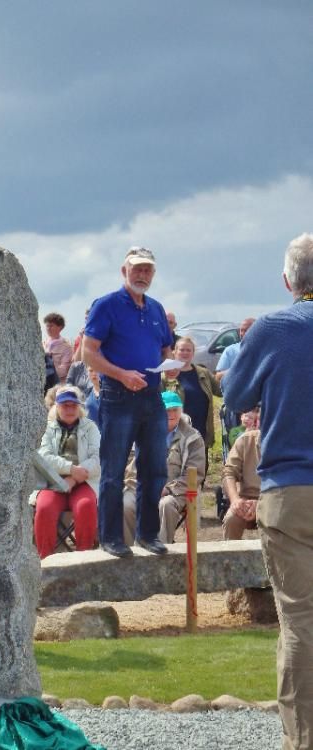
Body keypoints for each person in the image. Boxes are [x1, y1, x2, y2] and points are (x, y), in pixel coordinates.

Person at [223, 232, 313, 749]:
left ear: (288, 281)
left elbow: (235, 395)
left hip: (292, 488)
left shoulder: (275, 328)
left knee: (301, 621)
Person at [83, 246, 172, 557]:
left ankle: (148, 535)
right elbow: (88, 352)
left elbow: (164, 348)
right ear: (124, 271)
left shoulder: (157, 309)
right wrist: (121, 374)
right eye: (137, 269)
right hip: (118, 395)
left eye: (147, 270)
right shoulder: (106, 305)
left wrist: (167, 363)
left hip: (151, 395)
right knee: (114, 469)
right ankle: (111, 538)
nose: (142, 275)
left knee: (155, 468)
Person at [123, 392, 205, 545]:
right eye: (167, 410)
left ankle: (159, 553)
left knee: (165, 505)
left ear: (181, 411)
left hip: (176, 492)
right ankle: (130, 555)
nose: (171, 414)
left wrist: (167, 489)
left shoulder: (193, 438)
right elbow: (131, 466)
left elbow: (195, 473)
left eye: (175, 409)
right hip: (143, 487)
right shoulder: (143, 432)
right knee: (126, 503)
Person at [33, 386, 100, 559]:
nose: (70, 409)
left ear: (80, 407)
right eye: (65, 406)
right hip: (53, 481)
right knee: (44, 507)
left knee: (85, 505)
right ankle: (45, 560)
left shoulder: (91, 428)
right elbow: (44, 457)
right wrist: (70, 469)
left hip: (83, 481)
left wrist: (73, 479)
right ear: (57, 407)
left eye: (73, 405)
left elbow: (98, 459)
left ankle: (83, 559)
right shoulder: (46, 429)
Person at [163, 337, 221, 468]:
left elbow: (221, 391)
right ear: (174, 352)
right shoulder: (165, 376)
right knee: (176, 470)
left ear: (193, 353)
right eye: (181, 350)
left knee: (198, 470)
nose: (185, 353)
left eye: (188, 350)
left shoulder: (204, 373)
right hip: (175, 434)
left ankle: (197, 488)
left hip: (200, 431)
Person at [221, 428, 260, 540]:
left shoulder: (290, 444)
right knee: (232, 518)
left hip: (277, 500)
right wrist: (235, 500)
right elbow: (228, 472)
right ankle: (230, 556)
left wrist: (261, 505)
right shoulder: (245, 440)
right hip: (246, 500)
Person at [215, 317, 256, 384]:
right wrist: (237, 370)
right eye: (241, 330)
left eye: (246, 330)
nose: (242, 333)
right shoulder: (230, 350)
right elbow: (218, 377)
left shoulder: (266, 351)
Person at [43, 313, 73, 383]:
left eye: (51, 326)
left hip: (56, 384)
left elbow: (64, 370)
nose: (48, 328)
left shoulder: (66, 347)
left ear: (60, 327)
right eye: (47, 326)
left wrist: (47, 372)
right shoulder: (43, 344)